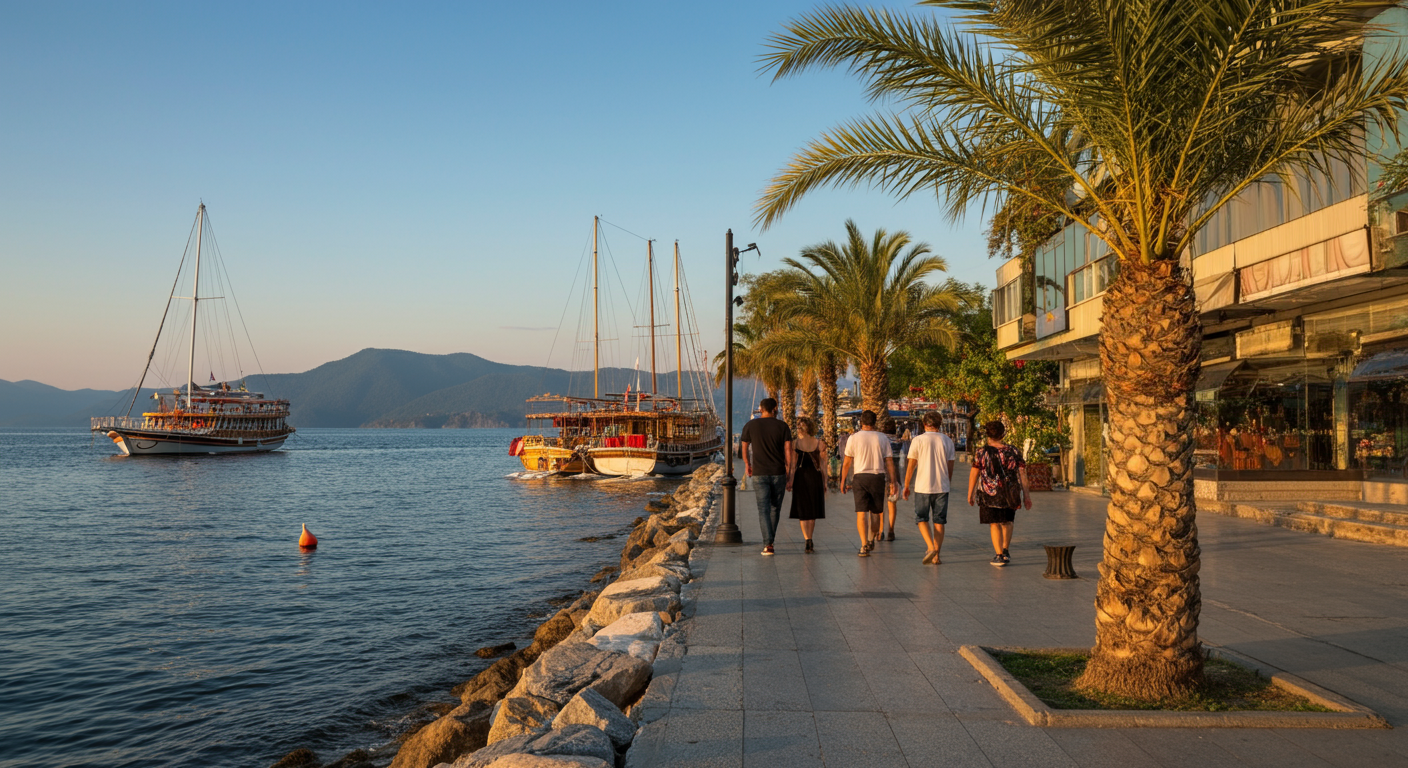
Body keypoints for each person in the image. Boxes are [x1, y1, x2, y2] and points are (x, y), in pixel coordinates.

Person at [966, 420, 1031, 567]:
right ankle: (1005, 550)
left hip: (989, 493)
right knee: (1007, 521)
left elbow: (974, 472)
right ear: (1003, 434)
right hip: (1010, 492)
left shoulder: (981, 452)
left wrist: (970, 493)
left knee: (994, 523)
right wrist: (1026, 496)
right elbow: (1022, 473)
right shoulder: (1013, 451)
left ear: (987, 434)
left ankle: (999, 555)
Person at [840, 410, 897, 556]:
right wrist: (893, 481)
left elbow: (847, 463)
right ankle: (871, 538)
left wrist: (843, 480)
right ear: (875, 422)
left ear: (861, 422)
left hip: (860, 477)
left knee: (861, 513)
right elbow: (889, 461)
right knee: (876, 513)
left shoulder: (853, 438)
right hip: (877, 477)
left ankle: (863, 545)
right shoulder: (882, 438)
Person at [740, 398, 792, 556]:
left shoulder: (751, 425)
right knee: (775, 508)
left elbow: (744, 446)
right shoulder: (782, 426)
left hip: (759, 473)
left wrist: (747, 464)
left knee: (763, 509)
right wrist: (789, 472)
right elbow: (788, 451)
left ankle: (768, 543)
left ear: (761, 409)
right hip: (778, 472)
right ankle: (770, 542)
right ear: (775, 408)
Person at [902, 412, 955, 565]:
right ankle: (936, 555)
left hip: (922, 486)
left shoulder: (918, 440)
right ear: (940, 424)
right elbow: (950, 466)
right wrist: (947, 481)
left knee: (921, 518)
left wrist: (906, 485)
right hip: (942, 486)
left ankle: (930, 547)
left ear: (924, 424)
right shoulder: (947, 441)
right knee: (939, 521)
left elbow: (911, 465)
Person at [786, 416, 829, 553]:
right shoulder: (819, 443)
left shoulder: (795, 444)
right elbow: (823, 465)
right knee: (812, 510)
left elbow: (792, 466)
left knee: (803, 510)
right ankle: (810, 538)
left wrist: (790, 481)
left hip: (800, 477)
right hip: (815, 477)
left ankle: (807, 539)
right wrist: (825, 482)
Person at [880, 417, 901, 541]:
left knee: (880, 504)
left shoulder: (882, 440)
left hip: (882, 473)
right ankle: (891, 530)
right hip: (895, 474)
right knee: (892, 503)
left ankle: (880, 530)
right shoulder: (898, 441)